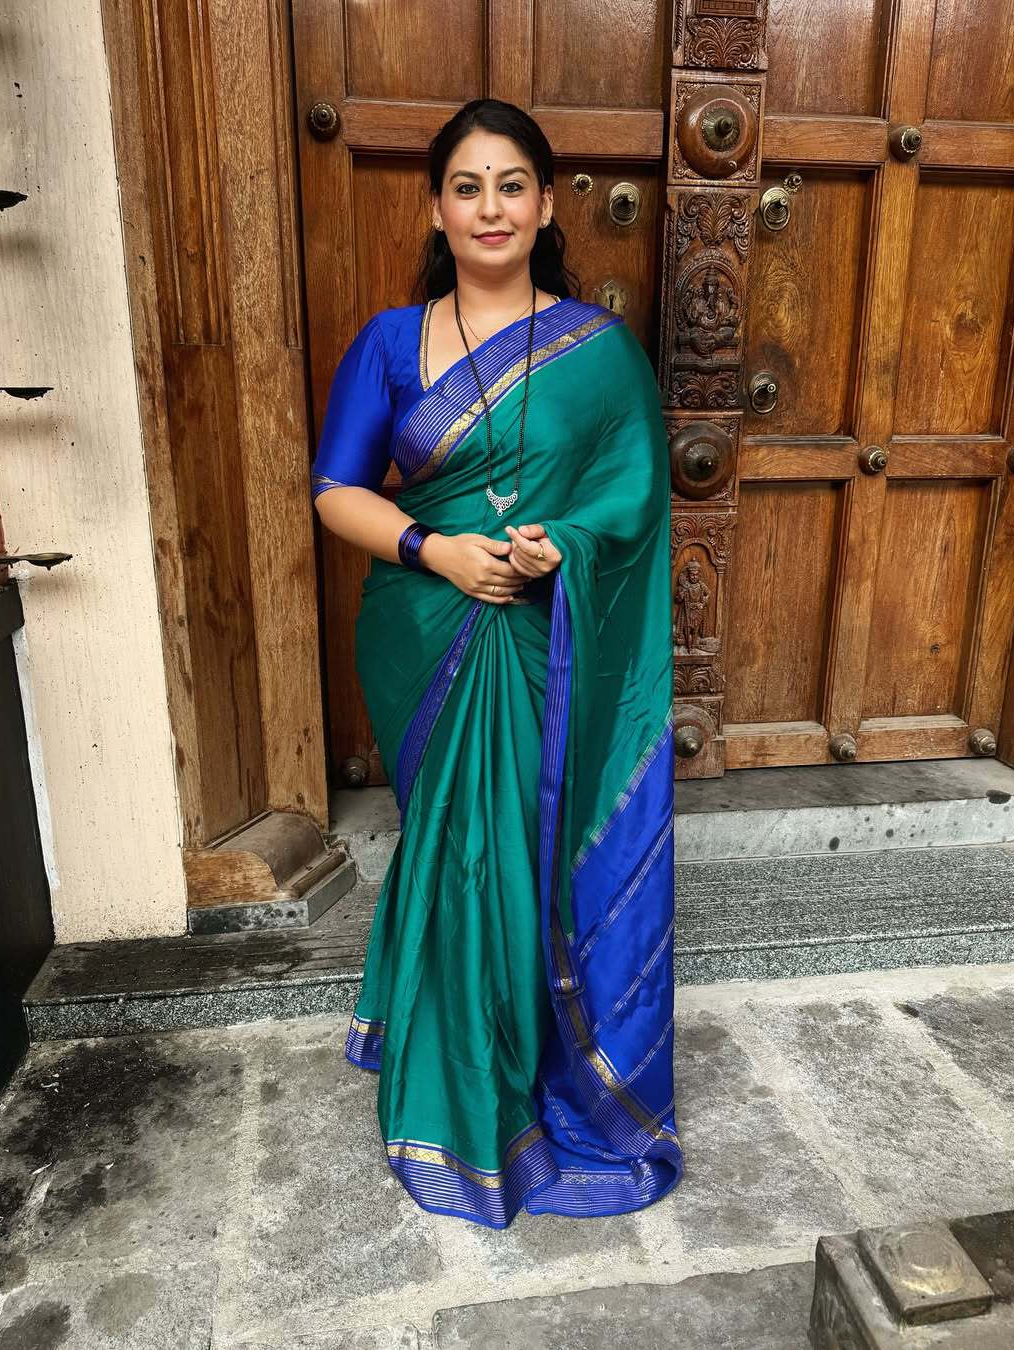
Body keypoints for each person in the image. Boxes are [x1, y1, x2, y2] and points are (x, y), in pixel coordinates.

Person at [311, 97, 681, 1228]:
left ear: (547, 204)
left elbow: (632, 502)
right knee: (458, 850)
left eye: (511, 185)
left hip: (538, 638)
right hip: (424, 633)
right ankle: (456, 1081)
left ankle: (523, 1077)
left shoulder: (600, 352)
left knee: (519, 857)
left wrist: (558, 544)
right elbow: (335, 492)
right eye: (466, 187)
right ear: (436, 207)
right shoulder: (389, 342)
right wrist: (435, 548)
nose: (490, 207)